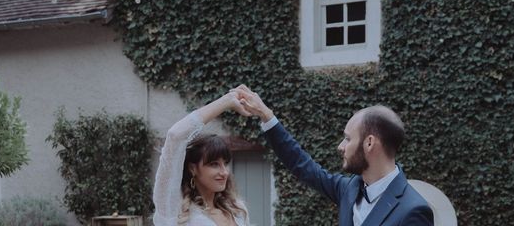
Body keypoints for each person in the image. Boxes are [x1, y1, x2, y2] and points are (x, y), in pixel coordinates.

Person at [233, 85, 434, 226]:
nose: (340, 146)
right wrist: (266, 116)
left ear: (370, 143)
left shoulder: (413, 210)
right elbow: (303, 166)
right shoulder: (349, 188)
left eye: (347, 139)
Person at [153, 91, 251, 226]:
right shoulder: (174, 211)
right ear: (193, 168)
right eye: (214, 164)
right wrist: (226, 101)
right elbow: (175, 136)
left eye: (225, 163)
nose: (224, 172)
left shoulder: (237, 210)